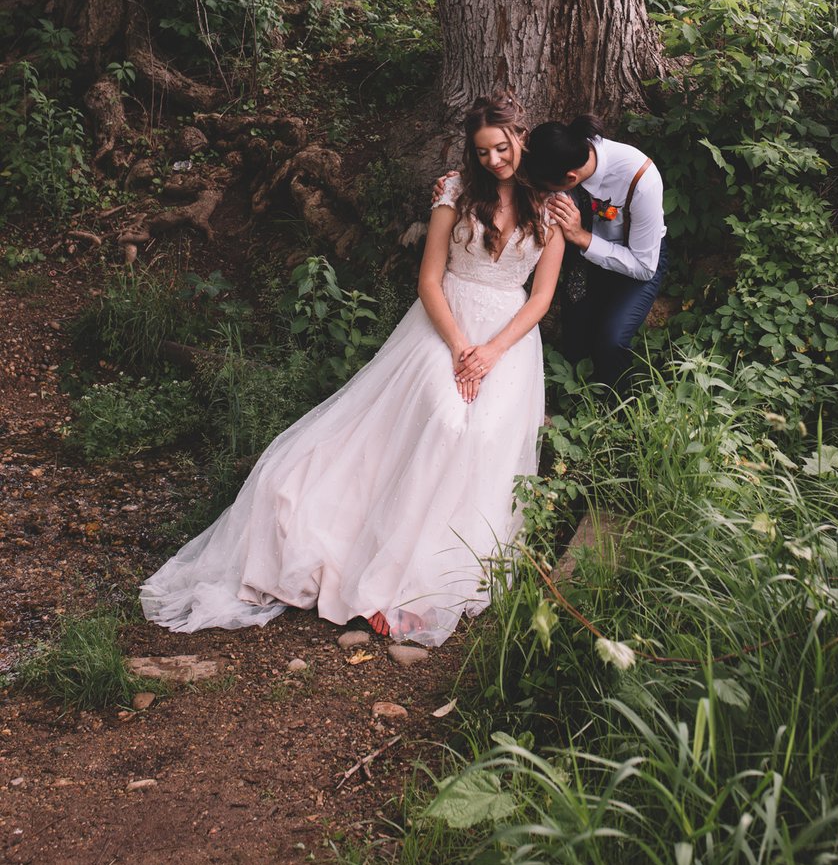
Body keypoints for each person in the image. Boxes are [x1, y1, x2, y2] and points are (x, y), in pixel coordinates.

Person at [140, 95, 564, 648]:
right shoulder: (455, 194)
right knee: (443, 418)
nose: (494, 159)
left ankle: (427, 579)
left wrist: (491, 352)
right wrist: (462, 347)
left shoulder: (551, 206)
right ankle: (373, 561)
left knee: (479, 433)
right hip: (446, 324)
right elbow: (429, 281)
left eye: (502, 147)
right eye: (483, 151)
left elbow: (542, 297)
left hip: (508, 337)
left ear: (521, 137)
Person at [522, 114, 667, 392]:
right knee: (575, 333)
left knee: (610, 340)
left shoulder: (640, 177)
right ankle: (578, 399)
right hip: (585, 259)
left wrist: (581, 237)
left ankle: (622, 407)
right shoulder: (561, 153)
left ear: (570, 179)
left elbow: (644, 265)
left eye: (549, 190)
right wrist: (457, 184)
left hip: (635, 262)